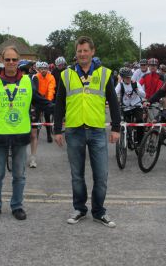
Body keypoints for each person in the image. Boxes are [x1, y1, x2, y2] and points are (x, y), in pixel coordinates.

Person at [54, 36, 120, 228]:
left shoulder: (105, 74)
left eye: (85, 50)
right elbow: (59, 104)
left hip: (97, 130)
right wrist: (57, 129)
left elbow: (114, 103)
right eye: (79, 51)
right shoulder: (66, 74)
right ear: (76, 53)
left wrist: (116, 127)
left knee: (101, 175)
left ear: (93, 51)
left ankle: (99, 212)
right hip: (74, 130)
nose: (82, 54)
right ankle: (79, 209)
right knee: (77, 175)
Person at [0, 46, 53, 221]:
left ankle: (17, 206)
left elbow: (41, 101)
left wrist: (60, 110)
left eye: (14, 60)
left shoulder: (28, 81)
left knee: (19, 175)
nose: (11, 63)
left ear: (19, 61)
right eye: (8, 60)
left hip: (21, 136)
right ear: (3, 61)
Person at [116, 67, 145, 150]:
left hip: (136, 105)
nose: (129, 79)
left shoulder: (135, 83)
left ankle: (140, 142)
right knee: (126, 124)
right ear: (122, 78)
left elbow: (144, 95)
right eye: (126, 77)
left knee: (139, 121)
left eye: (130, 77)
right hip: (126, 107)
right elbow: (114, 93)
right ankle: (128, 140)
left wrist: (137, 90)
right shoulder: (120, 85)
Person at [33, 61, 56, 145]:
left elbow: (51, 89)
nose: (43, 70)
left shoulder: (51, 77)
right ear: (39, 69)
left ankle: (49, 135)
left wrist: (49, 101)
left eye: (45, 69)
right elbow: (35, 89)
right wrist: (37, 99)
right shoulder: (36, 76)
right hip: (38, 99)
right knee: (36, 117)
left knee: (47, 117)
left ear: (47, 69)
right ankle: (35, 136)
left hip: (47, 99)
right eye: (41, 69)